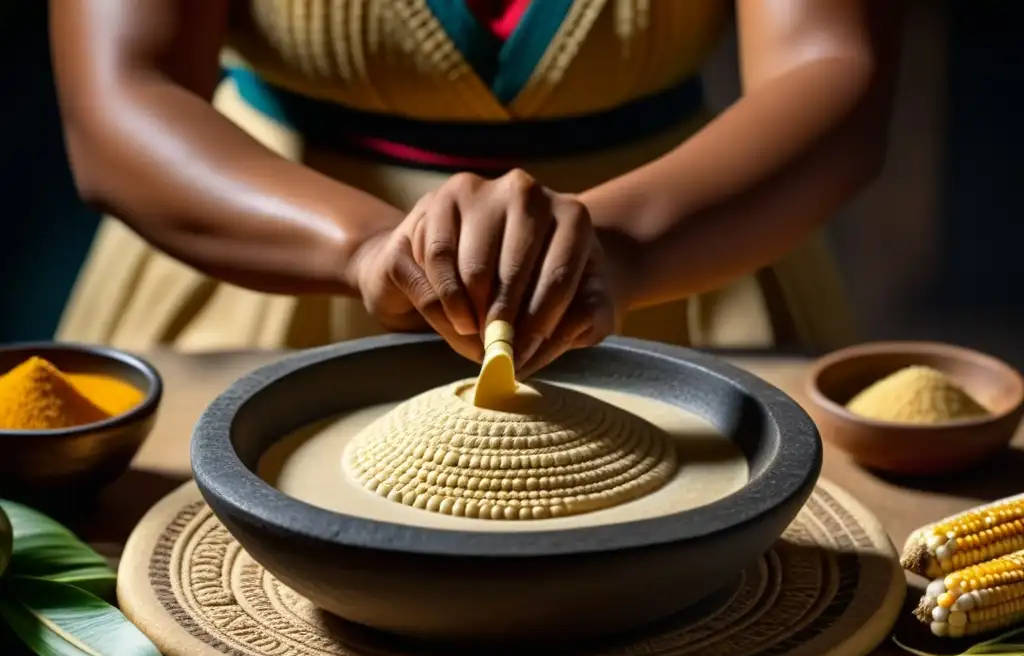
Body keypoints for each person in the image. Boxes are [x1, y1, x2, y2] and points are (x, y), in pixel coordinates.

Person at [50, 0, 900, 378]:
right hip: (265, 255)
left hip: (684, 247)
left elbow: (834, 67)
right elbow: (121, 90)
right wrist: (367, 248)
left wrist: (619, 245)